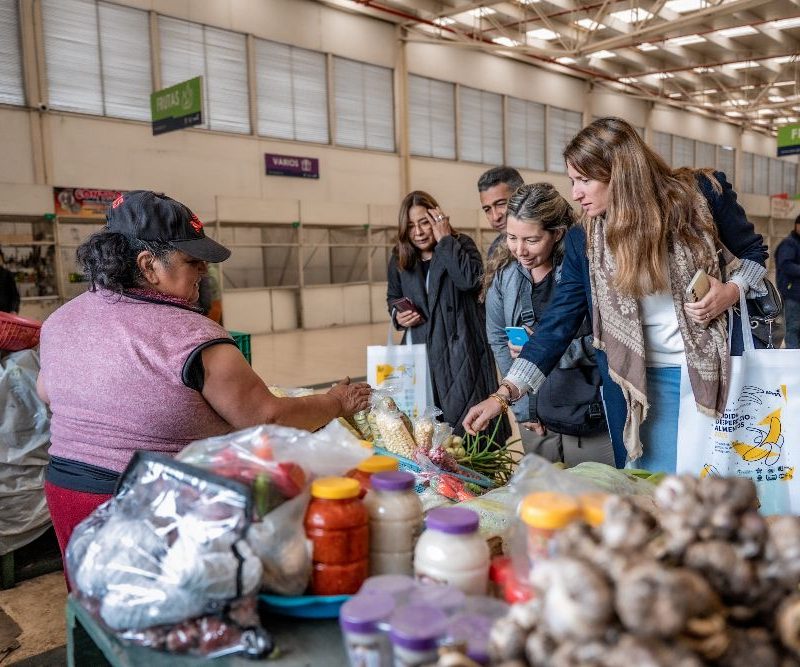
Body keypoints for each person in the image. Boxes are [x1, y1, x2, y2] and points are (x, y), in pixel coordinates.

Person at [37, 190, 371, 561]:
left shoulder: (60, 320)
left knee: (94, 591)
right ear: (149, 266)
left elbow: (47, 392)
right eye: (192, 262)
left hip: (68, 495)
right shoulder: (192, 335)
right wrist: (335, 402)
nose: (204, 271)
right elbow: (267, 417)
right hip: (155, 504)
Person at [464, 117, 768, 472]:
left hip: (716, 372)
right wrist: (503, 395)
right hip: (637, 388)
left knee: (719, 484)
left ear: (621, 172)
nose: (575, 194)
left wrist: (730, 291)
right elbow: (557, 324)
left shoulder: (702, 195)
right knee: (650, 488)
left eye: (585, 180)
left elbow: (754, 254)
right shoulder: (584, 241)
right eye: (572, 181)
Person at [482, 183, 613, 465]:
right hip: (536, 412)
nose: (520, 250)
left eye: (531, 240)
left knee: (592, 489)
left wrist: (550, 352)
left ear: (557, 234)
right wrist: (523, 407)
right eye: (512, 238)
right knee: (542, 490)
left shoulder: (583, 269)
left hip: (588, 414)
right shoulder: (506, 276)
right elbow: (498, 340)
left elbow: (609, 338)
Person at [387, 190, 509, 440]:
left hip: (462, 355)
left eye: (424, 222)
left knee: (471, 432)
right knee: (428, 435)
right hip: (421, 356)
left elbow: (470, 281)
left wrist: (445, 241)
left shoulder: (460, 244)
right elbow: (393, 296)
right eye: (410, 226)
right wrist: (397, 316)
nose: (418, 232)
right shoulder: (400, 257)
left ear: (437, 218)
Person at [478, 166, 524, 258]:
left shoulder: (551, 241)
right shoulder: (495, 249)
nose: (495, 217)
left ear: (523, 197)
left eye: (500, 204)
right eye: (487, 209)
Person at [776, 213, 800, 349]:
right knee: (793, 328)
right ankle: (794, 359)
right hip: (792, 295)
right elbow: (785, 264)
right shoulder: (790, 244)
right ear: (797, 226)